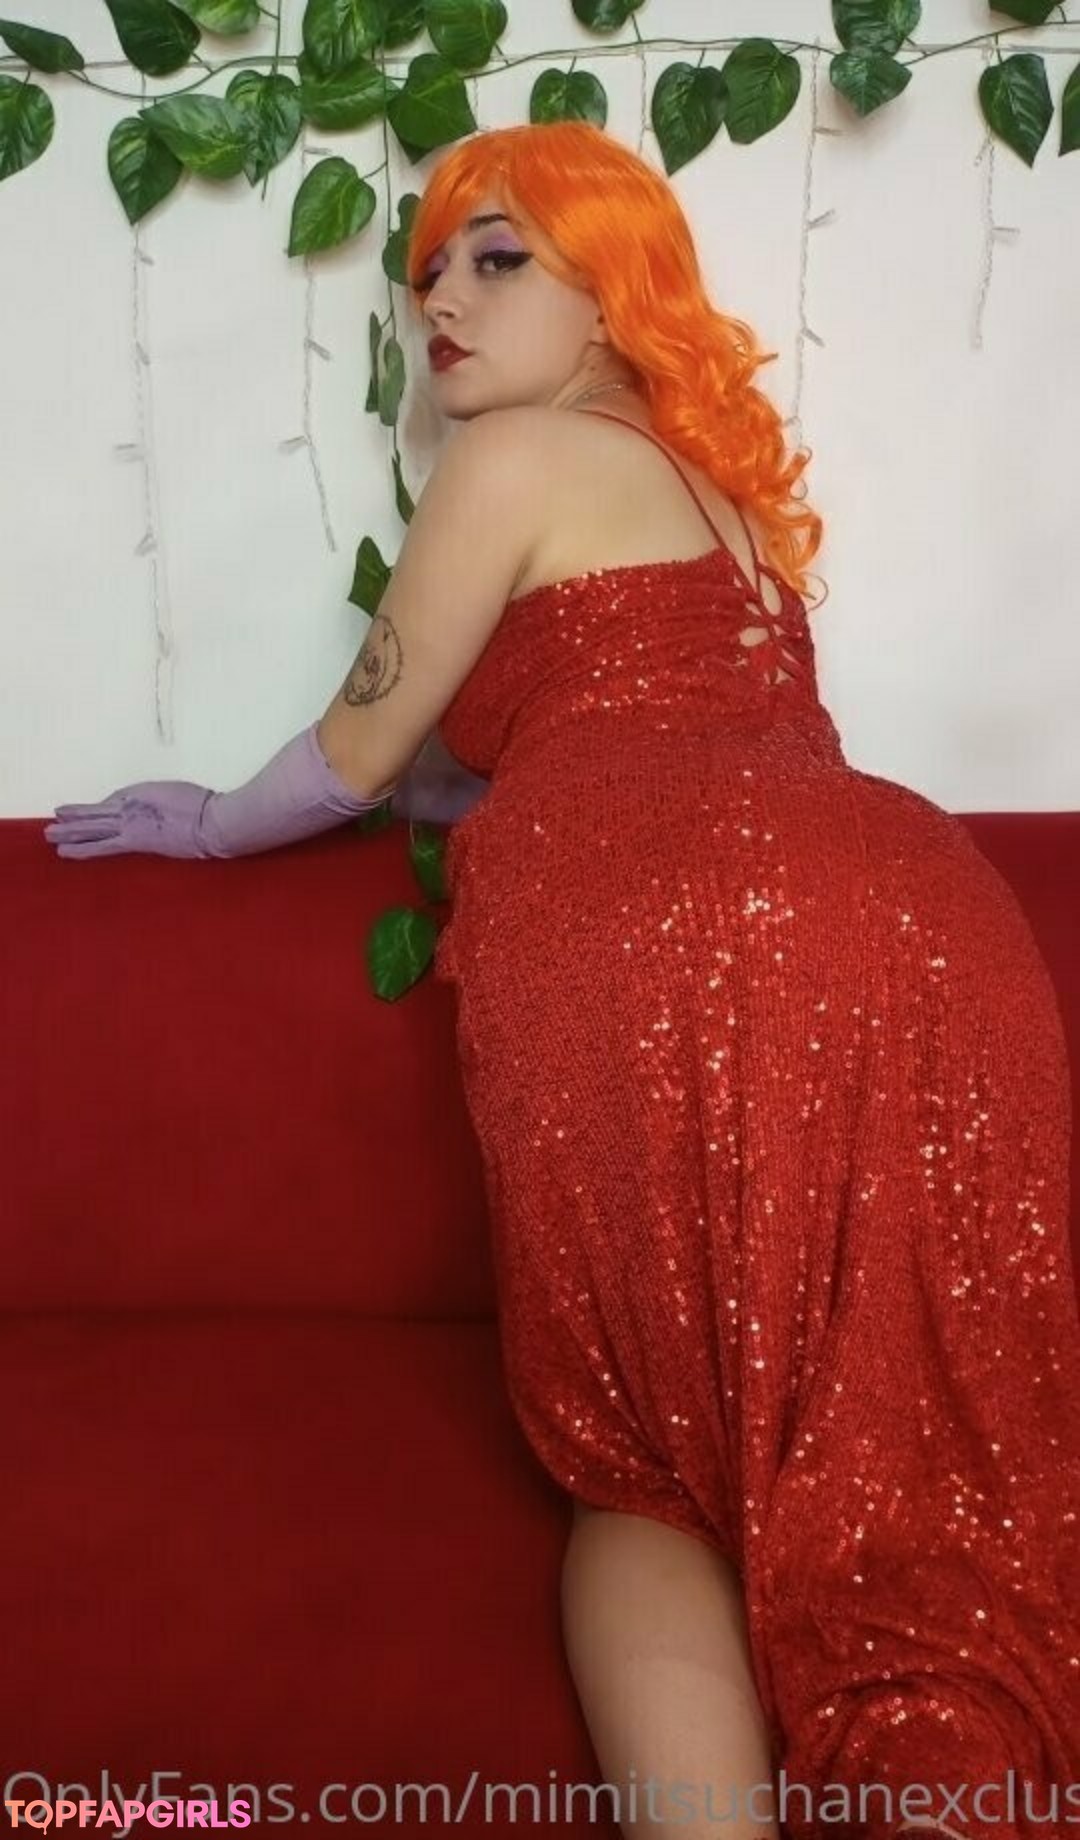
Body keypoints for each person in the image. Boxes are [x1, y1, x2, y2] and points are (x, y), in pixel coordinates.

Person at [44, 121, 1080, 1840]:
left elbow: (365, 750)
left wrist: (216, 823)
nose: (442, 300)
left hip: (648, 949)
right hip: (930, 932)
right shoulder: (729, 515)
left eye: (497, 257)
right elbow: (622, 737)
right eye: (427, 272)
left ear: (614, 291)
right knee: (902, 1439)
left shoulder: (512, 459)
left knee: (647, 1471)